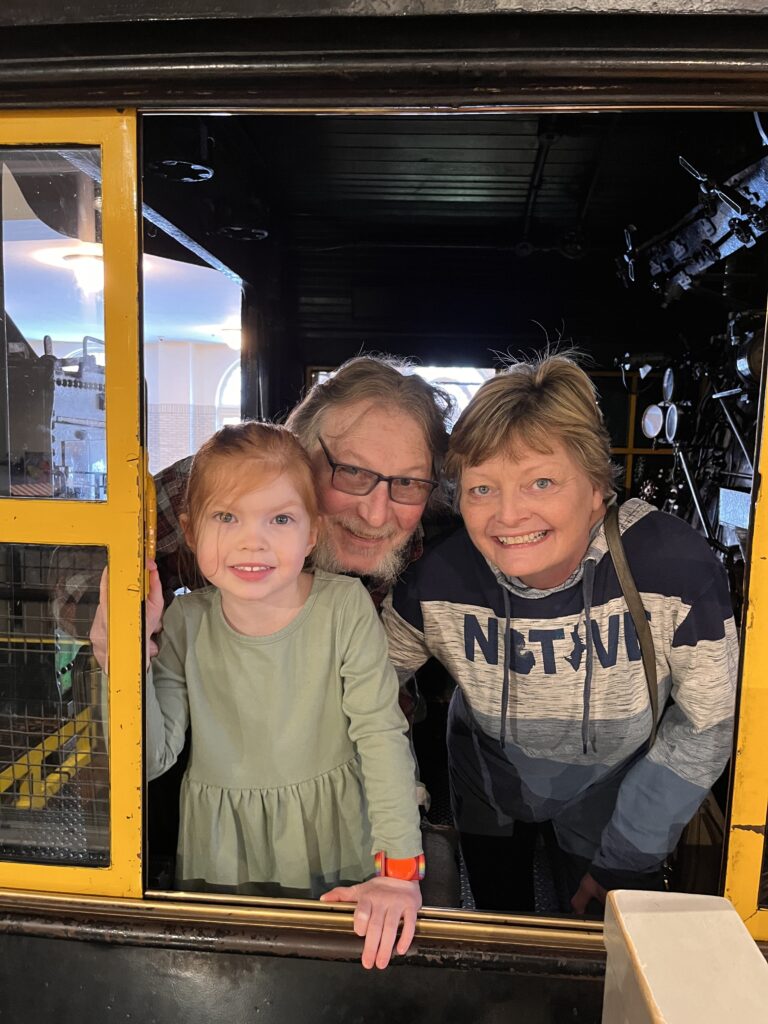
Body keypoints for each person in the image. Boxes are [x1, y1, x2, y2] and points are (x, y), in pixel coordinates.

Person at [381, 353, 738, 915]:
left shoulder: (674, 568)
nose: (508, 515)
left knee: (601, 947)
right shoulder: (438, 579)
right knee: (503, 930)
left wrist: (630, 850)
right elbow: (366, 695)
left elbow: (705, 723)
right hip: (488, 778)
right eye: (482, 489)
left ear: (597, 489)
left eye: (541, 481)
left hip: (617, 784)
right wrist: (388, 826)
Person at [145, 421, 424, 969]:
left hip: (336, 836)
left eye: (280, 518)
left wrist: (397, 873)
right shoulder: (183, 621)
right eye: (227, 516)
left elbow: (382, 735)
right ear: (191, 531)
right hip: (221, 849)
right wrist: (127, 658)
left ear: (312, 533)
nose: (254, 540)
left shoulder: (344, 608)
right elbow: (154, 757)